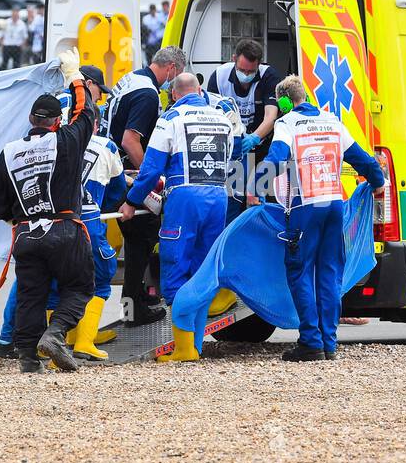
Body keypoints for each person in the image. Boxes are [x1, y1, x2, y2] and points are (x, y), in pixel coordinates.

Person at [259, 75, 385, 362]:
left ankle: (310, 342)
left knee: (300, 271)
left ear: (283, 101)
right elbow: (363, 159)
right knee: (329, 273)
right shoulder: (332, 121)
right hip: (334, 206)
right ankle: (329, 343)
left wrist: (255, 185)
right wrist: (377, 181)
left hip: (306, 207)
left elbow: (277, 157)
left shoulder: (286, 123)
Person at [0, 50, 94, 372]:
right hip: (65, 230)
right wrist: (74, 76)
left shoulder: (9, 152)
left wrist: (14, 218)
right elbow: (86, 112)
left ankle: (28, 358)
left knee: (30, 296)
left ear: (31, 120)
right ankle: (56, 333)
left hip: (26, 235)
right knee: (80, 287)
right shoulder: (67, 140)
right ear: (56, 121)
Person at [120, 72, 236, 361]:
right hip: (217, 197)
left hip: (184, 198)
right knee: (203, 269)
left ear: (173, 94)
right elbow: (229, 158)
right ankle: (194, 345)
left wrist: (132, 202)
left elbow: (151, 169)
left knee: (175, 266)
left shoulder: (171, 119)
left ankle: (183, 349)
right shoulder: (221, 118)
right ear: (199, 89)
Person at [104, 45, 181, 325]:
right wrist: (152, 177)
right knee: (144, 233)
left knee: (137, 236)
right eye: (177, 74)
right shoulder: (148, 93)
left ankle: (136, 297)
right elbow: (130, 140)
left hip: (110, 169)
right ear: (172, 68)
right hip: (124, 171)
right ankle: (133, 308)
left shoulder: (131, 79)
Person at [71, 66, 122, 360]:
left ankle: (65, 337)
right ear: (96, 124)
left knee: (62, 282)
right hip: (90, 220)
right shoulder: (106, 146)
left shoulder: (59, 142)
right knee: (101, 277)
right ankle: (84, 341)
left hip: (58, 220)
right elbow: (117, 191)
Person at [206, 39, 276, 217]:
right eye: (242, 70)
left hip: (262, 150)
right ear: (234, 59)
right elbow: (211, 116)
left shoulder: (268, 76)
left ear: (258, 64)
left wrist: (254, 138)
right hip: (232, 151)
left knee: (259, 202)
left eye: (251, 71)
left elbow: (271, 116)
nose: (246, 75)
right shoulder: (219, 76)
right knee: (232, 201)